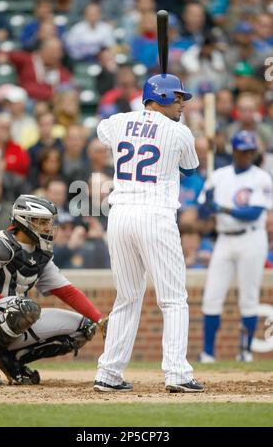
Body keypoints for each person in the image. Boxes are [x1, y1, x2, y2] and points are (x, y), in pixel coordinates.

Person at [94, 73, 204, 393]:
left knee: (127, 298)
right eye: (178, 97)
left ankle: (109, 372)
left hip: (120, 216)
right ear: (163, 98)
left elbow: (103, 132)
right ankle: (177, 373)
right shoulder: (179, 132)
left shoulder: (118, 121)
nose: (182, 104)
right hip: (155, 214)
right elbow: (191, 167)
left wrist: (138, 120)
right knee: (173, 299)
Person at [0, 195, 107, 386]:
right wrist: (11, 310)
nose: (47, 227)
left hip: (10, 317)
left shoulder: (41, 252)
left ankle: (10, 360)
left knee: (85, 328)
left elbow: (66, 291)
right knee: (24, 307)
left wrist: (100, 320)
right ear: (24, 220)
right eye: (42, 221)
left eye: (49, 222)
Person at [198, 131, 273, 363]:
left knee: (248, 298)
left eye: (250, 151)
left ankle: (245, 352)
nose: (247, 155)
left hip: (252, 238)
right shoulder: (218, 176)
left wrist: (222, 208)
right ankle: (208, 354)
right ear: (234, 151)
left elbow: (254, 213)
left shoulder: (261, 177)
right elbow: (202, 213)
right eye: (243, 151)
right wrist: (208, 201)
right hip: (224, 238)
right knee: (212, 295)